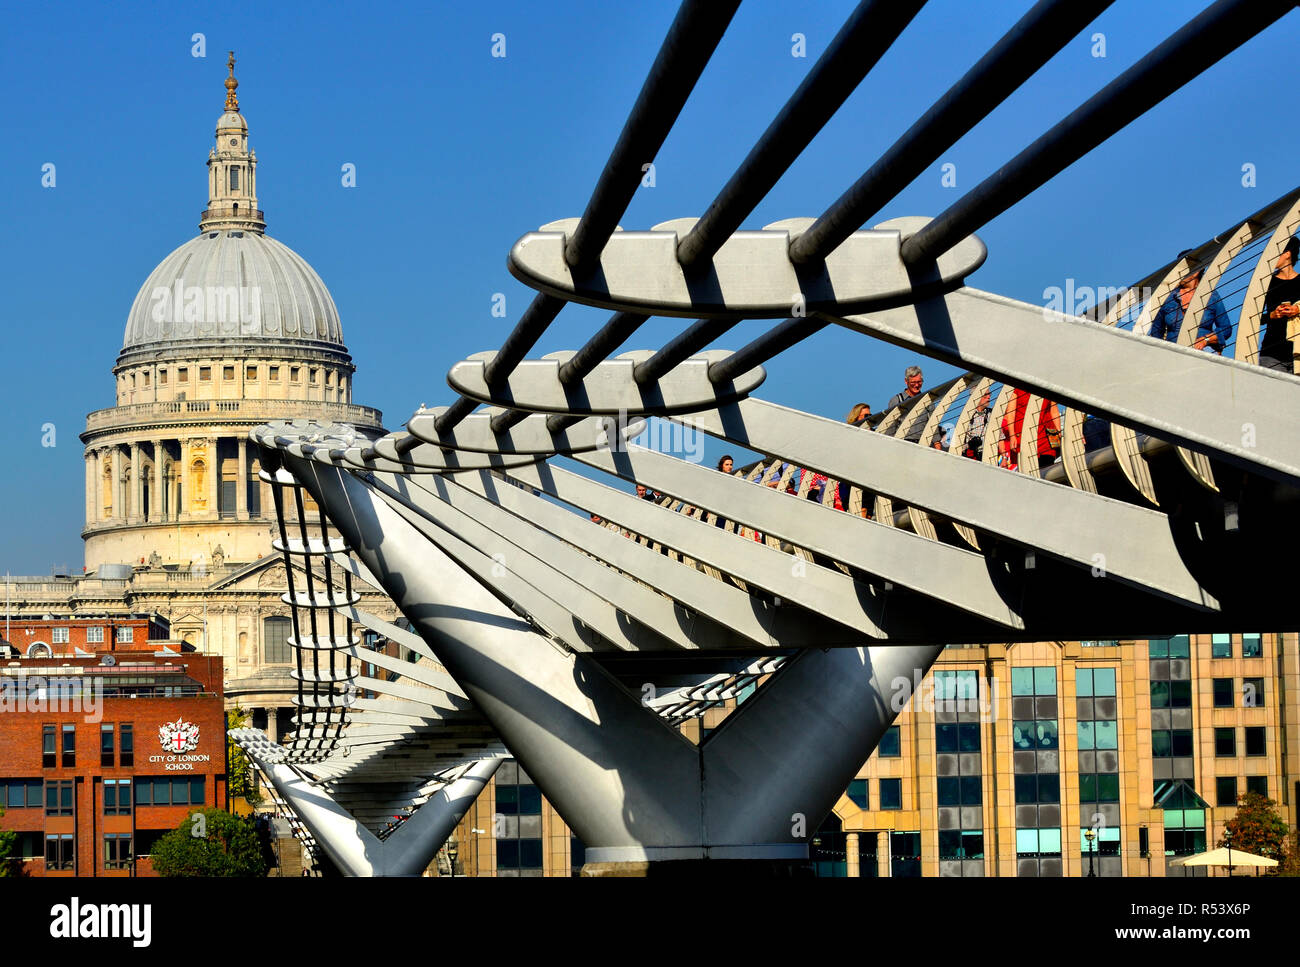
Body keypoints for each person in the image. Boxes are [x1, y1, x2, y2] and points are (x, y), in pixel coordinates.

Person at [1149, 258, 1231, 353]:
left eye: (1182, 269)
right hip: (1173, 353)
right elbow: (1156, 332)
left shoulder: (1211, 296)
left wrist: (1205, 340)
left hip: (1203, 352)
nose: (1178, 274)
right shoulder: (1167, 298)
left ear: (1196, 271)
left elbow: (1226, 329)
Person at [1260, 236, 1300, 373]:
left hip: (1298, 352)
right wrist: (1272, 315)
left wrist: (1297, 310)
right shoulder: (1265, 283)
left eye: (1274, 251)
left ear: (1287, 254)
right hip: (1271, 353)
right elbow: (1252, 318)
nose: (1270, 256)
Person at [1000, 388, 1062, 471]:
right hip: (1024, 436)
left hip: (1046, 436)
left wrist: (1058, 432)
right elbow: (1011, 412)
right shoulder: (1016, 388)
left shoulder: (1047, 387)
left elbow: (1054, 410)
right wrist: (1012, 435)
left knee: (1047, 468)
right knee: (1027, 468)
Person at [963, 390, 992, 460]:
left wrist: (1004, 457)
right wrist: (970, 445)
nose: (989, 397)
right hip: (971, 458)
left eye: (989, 394)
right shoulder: (965, 416)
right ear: (975, 397)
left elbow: (1000, 437)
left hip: (990, 455)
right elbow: (958, 445)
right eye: (985, 395)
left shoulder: (992, 414)